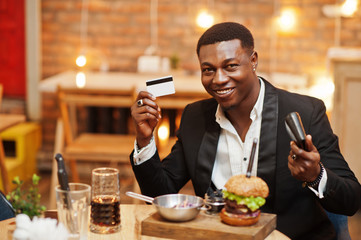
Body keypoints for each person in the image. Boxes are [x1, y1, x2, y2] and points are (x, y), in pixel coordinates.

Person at [129, 22, 361, 239]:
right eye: (208, 70)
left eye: (230, 66)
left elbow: (351, 199)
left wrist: (315, 175)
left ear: (253, 60)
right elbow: (158, 195)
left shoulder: (306, 112)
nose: (218, 79)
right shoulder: (195, 117)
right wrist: (144, 139)